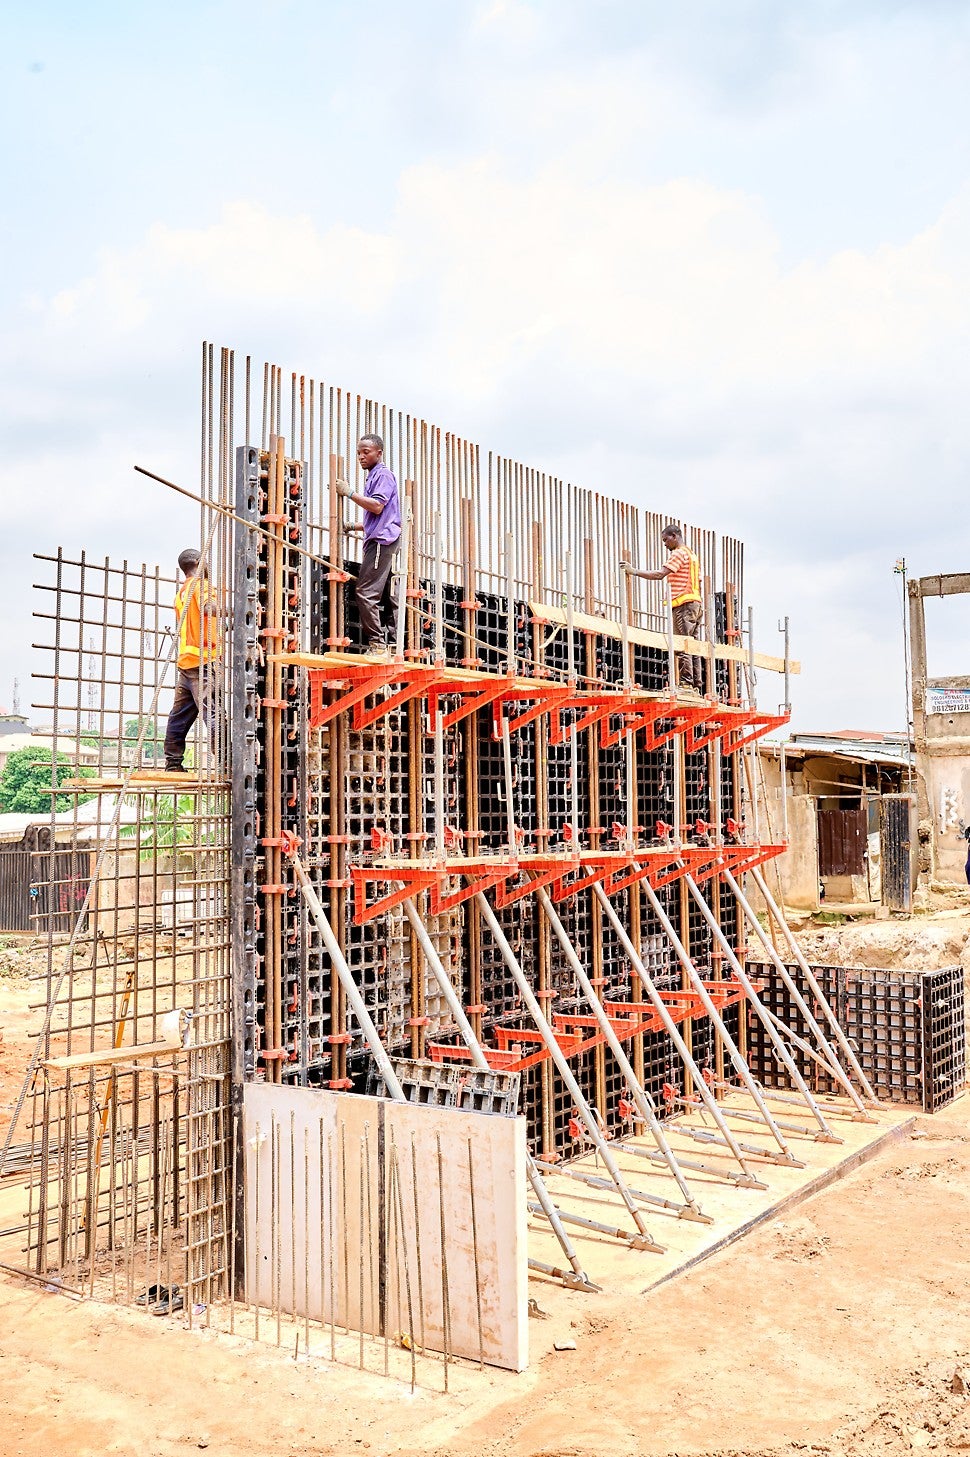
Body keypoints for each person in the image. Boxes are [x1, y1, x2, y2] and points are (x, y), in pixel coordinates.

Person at [336, 434, 401, 656]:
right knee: (387, 595)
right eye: (359, 453)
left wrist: (350, 493)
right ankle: (392, 643)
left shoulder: (382, 475)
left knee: (365, 592)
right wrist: (354, 526)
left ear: (379, 453)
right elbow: (382, 517)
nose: (361, 457)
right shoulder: (375, 476)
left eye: (366, 452)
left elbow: (377, 507)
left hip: (381, 542)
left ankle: (378, 645)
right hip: (385, 538)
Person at [163, 548, 227, 772]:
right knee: (214, 712)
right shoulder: (202, 586)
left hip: (186, 664)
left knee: (179, 716)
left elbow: (197, 623)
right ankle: (226, 764)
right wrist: (237, 612)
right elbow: (209, 608)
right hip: (205, 663)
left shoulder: (181, 593)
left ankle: (172, 764)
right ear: (199, 562)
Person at [622, 525, 705, 693]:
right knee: (693, 646)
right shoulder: (692, 555)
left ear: (674, 536)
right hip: (695, 604)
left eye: (666, 540)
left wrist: (634, 571)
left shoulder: (678, 554)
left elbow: (660, 574)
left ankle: (686, 684)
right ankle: (695, 684)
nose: (665, 544)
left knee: (682, 645)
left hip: (683, 605)